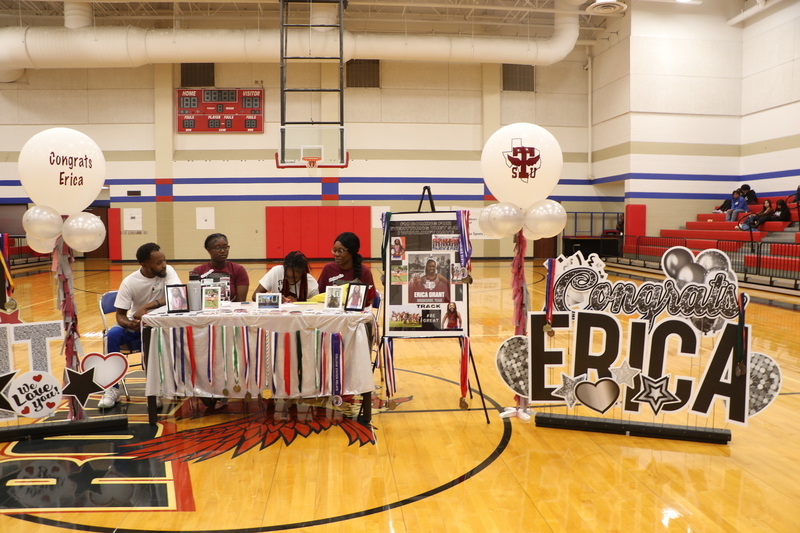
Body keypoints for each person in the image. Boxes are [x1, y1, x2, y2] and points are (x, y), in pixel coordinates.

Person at [100, 242, 181, 409]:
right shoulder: (130, 282)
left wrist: (146, 306)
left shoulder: (168, 271)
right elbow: (120, 315)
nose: (164, 264)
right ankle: (112, 389)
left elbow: (175, 295)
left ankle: (154, 391)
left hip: (159, 325)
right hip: (137, 325)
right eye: (159, 262)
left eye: (164, 260)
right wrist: (131, 324)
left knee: (150, 336)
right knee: (111, 336)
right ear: (144, 264)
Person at [194, 233, 249, 302]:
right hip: (206, 308)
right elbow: (195, 299)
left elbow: (241, 301)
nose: (223, 251)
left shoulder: (238, 270)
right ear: (208, 249)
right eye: (217, 248)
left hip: (231, 308)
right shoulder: (198, 271)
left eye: (225, 247)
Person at [318, 232, 375, 297]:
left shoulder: (364, 271)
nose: (336, 254)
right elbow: (318, 294)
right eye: (335, 250)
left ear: (351, 251)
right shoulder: (328, 269)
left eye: (340, 251)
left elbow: (371, 299)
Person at [253, 251, 318, 303]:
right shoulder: (276, 271)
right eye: (286, 276)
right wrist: (274, 298)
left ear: (302, 272)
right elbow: (255, 296)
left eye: (294, 278)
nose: (290, 280)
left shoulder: (311, 284)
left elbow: (317, 306)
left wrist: (297, 304)